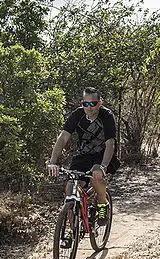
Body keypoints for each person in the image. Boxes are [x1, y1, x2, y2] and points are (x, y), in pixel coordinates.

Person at [46, 87, 118, 224]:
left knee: (96, 175)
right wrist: (52, 161)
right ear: (82, 103)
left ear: (100, 103)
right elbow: (63, 137)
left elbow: (110, 143)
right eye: (86, 104)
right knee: (70, 187)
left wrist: (103, 167)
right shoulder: (77, 115)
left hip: (103, 155)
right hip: (83, 154)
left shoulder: (106, 116)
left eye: (93, 104)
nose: (89, 107)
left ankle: (103, 203)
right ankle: (72, 231)